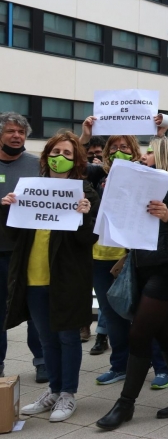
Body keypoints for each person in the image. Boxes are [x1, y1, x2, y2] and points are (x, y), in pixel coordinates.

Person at [96, 138, 168, 430]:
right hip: (147, 266)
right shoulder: (146, 186)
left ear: (163, 157)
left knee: (139, 333)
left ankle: (125, 404)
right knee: (165, 334)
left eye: (148, 154)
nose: (143, 158)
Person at [1, 131, 98, 422]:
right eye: (55, 152)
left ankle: (68, 393)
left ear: (76, 159)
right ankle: (54, 390)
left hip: (66, 279)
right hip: (33, 277)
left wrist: (83, 215)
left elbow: (90, 238)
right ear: (46, 157)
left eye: (67, 153)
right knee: (46, 338)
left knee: (68, 336)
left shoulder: (85, 192)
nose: (60, 158)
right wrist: (8, 209)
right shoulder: (30, 189)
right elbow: (14, 234)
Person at [79, 118, 168, 390]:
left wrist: (160, 134)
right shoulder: (97, 176)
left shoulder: (148, 175)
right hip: (100, 257)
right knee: (113, 315)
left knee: (145, 315)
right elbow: (77, 162)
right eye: (113, 148)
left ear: (135, 152)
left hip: (133, 257)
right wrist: (86, 135)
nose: (119, 152)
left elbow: (167, 163)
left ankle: (162, 367)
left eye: (125, 147)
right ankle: (119, 366)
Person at [0, 112, 47, 383]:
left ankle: (41, 361)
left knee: (35, 309)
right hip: (1, 251)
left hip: (30, 250)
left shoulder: (37, 164)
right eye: (10, 131)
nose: (17, 136)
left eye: (21, 132)